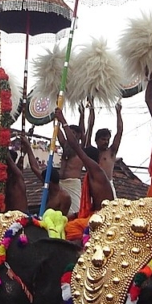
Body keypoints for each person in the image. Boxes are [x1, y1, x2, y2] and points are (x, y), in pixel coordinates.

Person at [56, 108, 116, 241]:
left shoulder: (96, 172)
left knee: (70, 230)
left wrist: (63, 121)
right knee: (71, 221)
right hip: (96, 213)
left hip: (103, 217)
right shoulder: (92, 174)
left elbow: (76, 146)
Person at [21, 134, 71, 216]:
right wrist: (28, 147)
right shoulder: (48, 185)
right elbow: (34, 167)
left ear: (50, 182)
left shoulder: (64, 197)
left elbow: (62, 219)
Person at [86, 101, 124, 179]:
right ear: (96, 140)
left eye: (108, 140)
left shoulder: (111, 152)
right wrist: (91, 109)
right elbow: (90, 127)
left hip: (108, 185)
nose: (106, 142)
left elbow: (119, 131)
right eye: (103, 139)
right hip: (93, 185)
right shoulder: (90, 151)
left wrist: (118, 112)